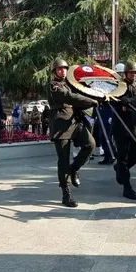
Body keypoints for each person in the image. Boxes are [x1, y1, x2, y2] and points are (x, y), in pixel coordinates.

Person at [46, 58, 98, 207]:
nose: (62, 71)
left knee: (90, 144)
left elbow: (81, 90)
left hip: (75, 123)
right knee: (63, 160)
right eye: (59, 69)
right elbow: (69, 97)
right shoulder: (53, 86)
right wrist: (90, 101)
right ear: (54, 71)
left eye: (64, 69)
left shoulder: (71, 84)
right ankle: (66, 193)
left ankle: (74, 168)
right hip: (61, 126)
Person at [112, 61, 136, 200]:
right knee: (123, 157)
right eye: (131, 72)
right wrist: (121, 101)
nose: (134, 75)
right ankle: (127, 187)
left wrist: (129, 101)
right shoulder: (118, 85)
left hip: (134, 125)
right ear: (126, 73)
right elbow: (113, 100)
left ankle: (120, 169)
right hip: (120, 126)